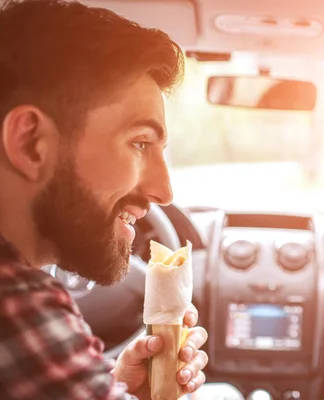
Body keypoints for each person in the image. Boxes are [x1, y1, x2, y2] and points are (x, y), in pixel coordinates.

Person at [0, 1, 208, 399]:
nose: (164, 192)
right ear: (32, 143)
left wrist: (115, 389)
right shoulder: (15, 304)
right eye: (139, 143)